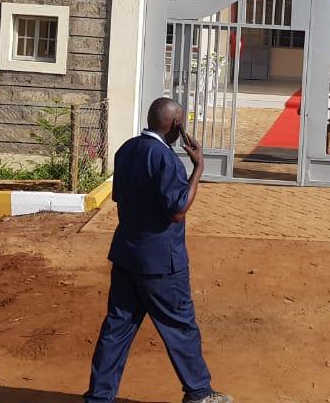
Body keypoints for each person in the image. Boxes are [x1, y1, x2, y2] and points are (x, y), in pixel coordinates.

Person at [83, 97, 233, 403]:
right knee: (180, 327)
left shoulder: (127, 150)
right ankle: (199, 393)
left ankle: (98, 397)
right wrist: (198, 168)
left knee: (117, 328)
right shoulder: (166, 159)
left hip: (127, 255)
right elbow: (178, 210)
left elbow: (119, 197)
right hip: (162, 264)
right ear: (176, 125)